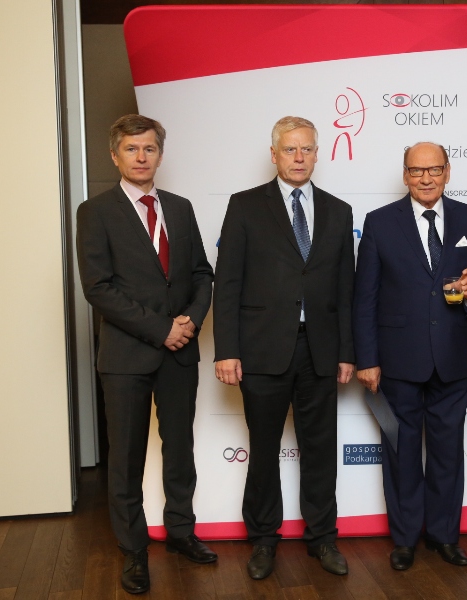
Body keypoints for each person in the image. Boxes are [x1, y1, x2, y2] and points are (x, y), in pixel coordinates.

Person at [76, 114, 216, 594]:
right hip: (126, 357)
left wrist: (190, 321)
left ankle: (181, 532)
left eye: (149, 148)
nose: (141, 157)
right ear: (115, 156)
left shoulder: (179, 207)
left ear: (160, 154)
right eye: (132, 149)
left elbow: (201, 273)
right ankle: (133, 549)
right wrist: (162, 330)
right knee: (126, 457)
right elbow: (98, 287)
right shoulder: (95, 212)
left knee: (180, 450)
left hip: (180, 353)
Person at [213, 116, 355, 580]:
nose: (299, 157)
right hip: (261, 349)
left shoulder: (338, 211)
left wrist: (347, 351)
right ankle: (263, 539)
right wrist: (226, 349)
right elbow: (227, 282)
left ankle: (322, 537)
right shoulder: (245, 205)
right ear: (274, 154)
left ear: (317, 154)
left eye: (307, 149)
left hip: (320, 350)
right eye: (290, 149)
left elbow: (346, 290)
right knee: (264, 448)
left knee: (321, 449)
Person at [353, 142, 467, 571]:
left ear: (448, 172)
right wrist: (367, 359)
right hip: (396, 362)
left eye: (434, 170)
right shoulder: (379, 222)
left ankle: (444, 535)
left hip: (453, 358)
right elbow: (365, 297)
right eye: (417, 171)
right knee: (400, 452)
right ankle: (405, 538)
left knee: (448, 453)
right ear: (405, 175)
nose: (426, 178)